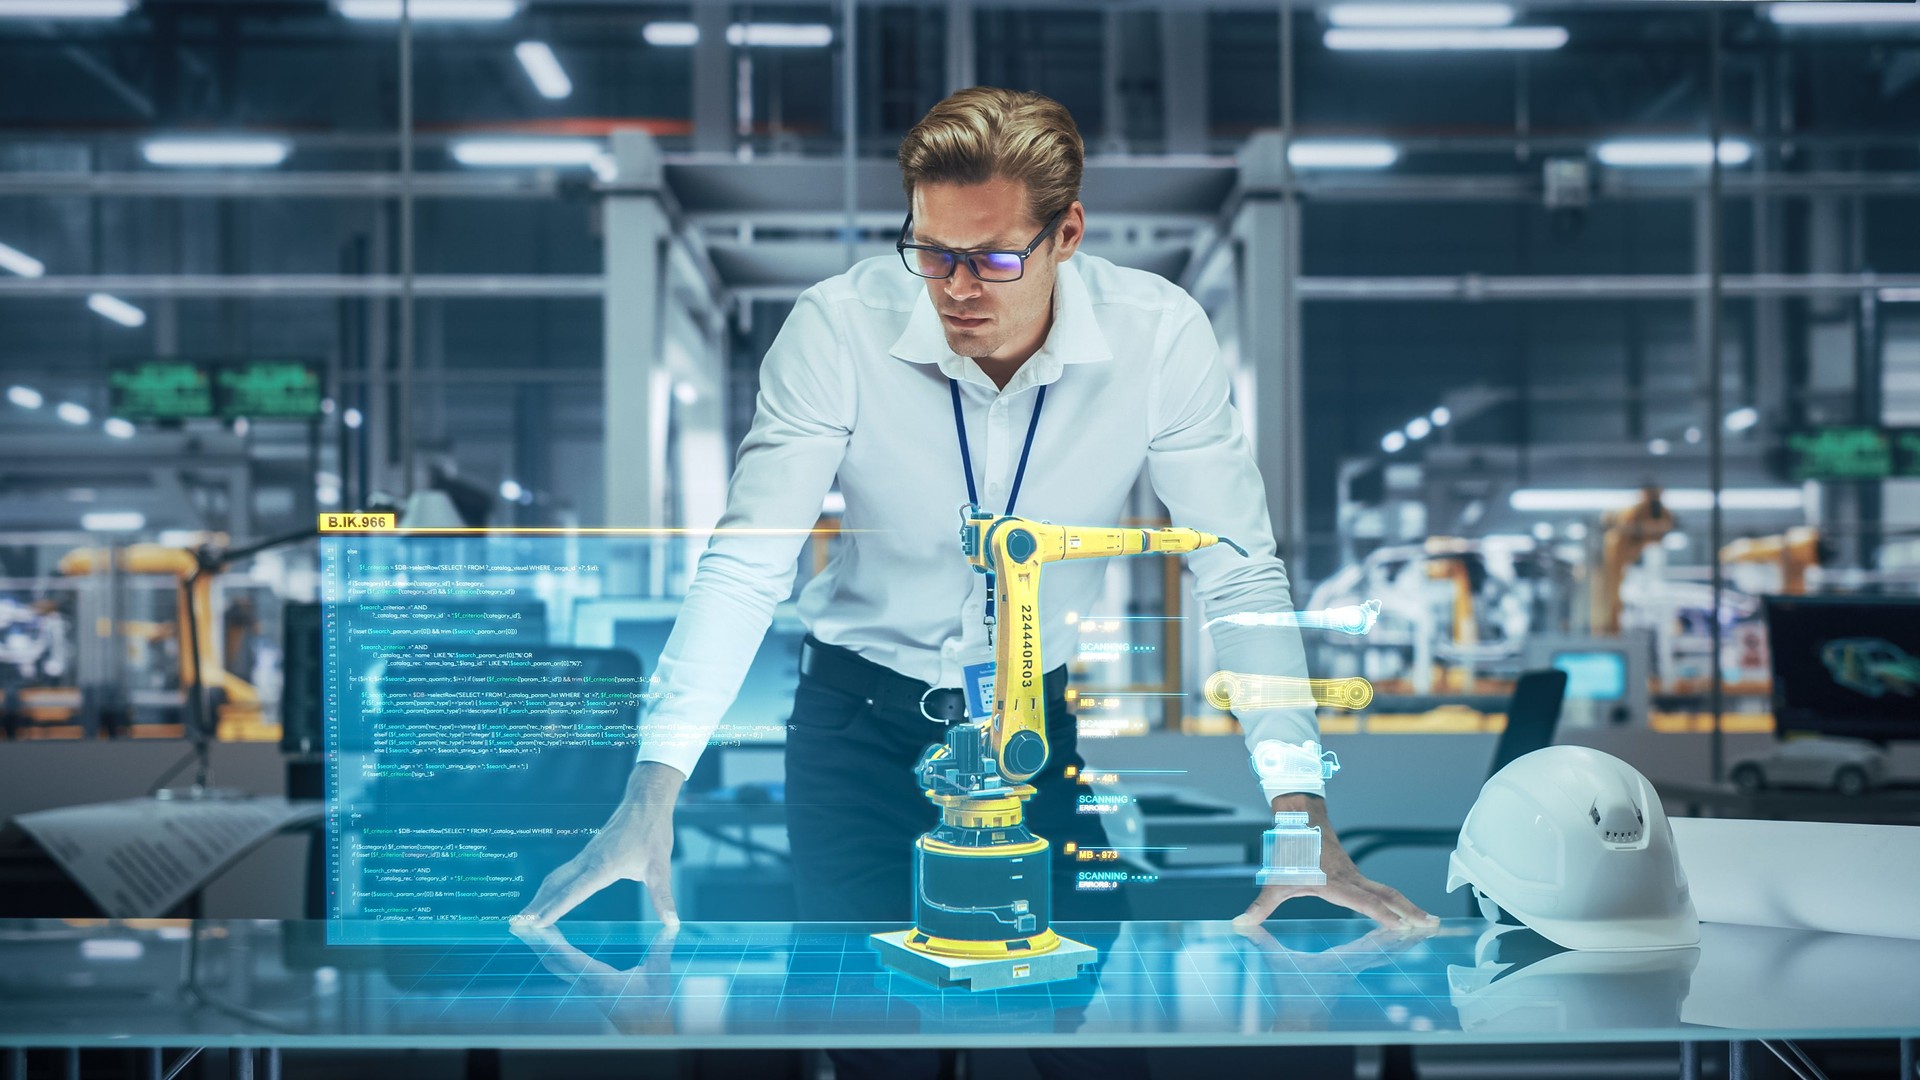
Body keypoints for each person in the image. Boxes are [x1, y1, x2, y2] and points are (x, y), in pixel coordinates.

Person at [514, 86, 1432, 1077]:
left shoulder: (1158, 341)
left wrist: (1299, 807)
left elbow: (1239, 575)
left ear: (1067, 233)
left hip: (1035, 727)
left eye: (994, 258)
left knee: (1076, 1028)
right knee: (869, 1038)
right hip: (855, 729)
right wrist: (652, 793)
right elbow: (746, 566)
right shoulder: (836, 332)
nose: (956, 288)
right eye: (932, 252)